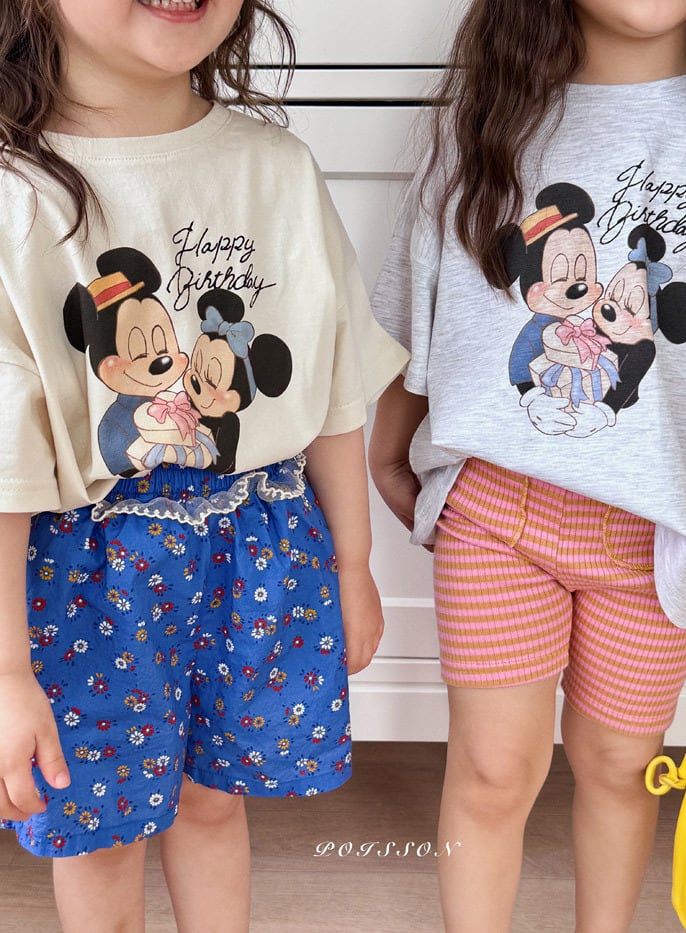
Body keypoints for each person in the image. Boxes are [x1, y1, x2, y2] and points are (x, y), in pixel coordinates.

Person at [0, 1, 409, 930]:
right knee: (99, 834)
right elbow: (5, 465)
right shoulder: (16, 193)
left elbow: (334, 386)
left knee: (215, 801)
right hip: (85, 576)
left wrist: (353, 565)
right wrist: (6, 670)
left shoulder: (278, 169)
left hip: (260, 550)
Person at [369, 2, 686, 930]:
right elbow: (419, 298)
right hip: (497, 511)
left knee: (621, 767)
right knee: (491, 769)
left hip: (660, 530)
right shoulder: (488, 119)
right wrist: (389, 442)